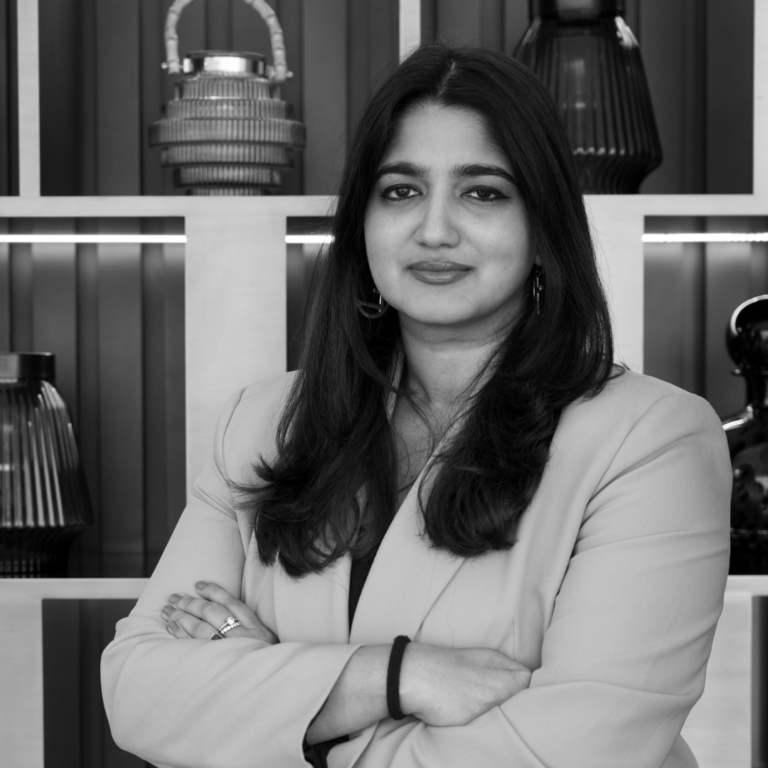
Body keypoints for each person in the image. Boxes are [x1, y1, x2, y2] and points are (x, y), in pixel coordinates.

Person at [101, 43, 731, 768]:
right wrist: (395, 676)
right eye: (400, 191)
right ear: (362, 225)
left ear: (543, 230)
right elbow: (139, 693)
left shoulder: (653, 440)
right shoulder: (263, 423)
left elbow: (579, 749)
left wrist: (283, 706)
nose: (434, 229)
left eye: (483, 192)